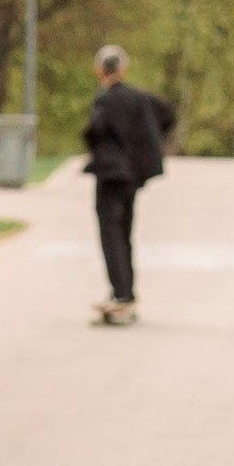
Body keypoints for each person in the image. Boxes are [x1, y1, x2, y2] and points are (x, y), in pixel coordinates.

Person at [81, 44, 171, 324]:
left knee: (110, 233)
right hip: (132, 176)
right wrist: (150, 141)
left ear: (99, 70)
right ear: (123, 69)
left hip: (110, 176)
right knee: (125, 233)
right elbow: (168, 115)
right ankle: (126, 291)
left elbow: (94, 131)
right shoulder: (140, 98)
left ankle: (120, 294)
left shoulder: (105, 101)